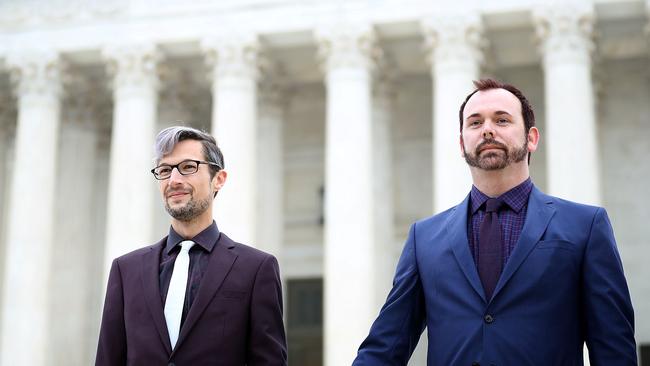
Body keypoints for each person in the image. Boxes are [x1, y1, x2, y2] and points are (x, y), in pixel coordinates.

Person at [353, 79, 637, 365]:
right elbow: (385, 347)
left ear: (532, 138)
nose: (487, 129)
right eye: (475, 123)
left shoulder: (585, 226)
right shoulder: (423, 237)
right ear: (462, 143)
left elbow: (614, 349)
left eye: (502, 120)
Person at [96, 126, 287, 365]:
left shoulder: (257, 268)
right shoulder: (125, 270)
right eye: (165, 170)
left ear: (218, 179)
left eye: (188, 167)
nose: (174, 180)